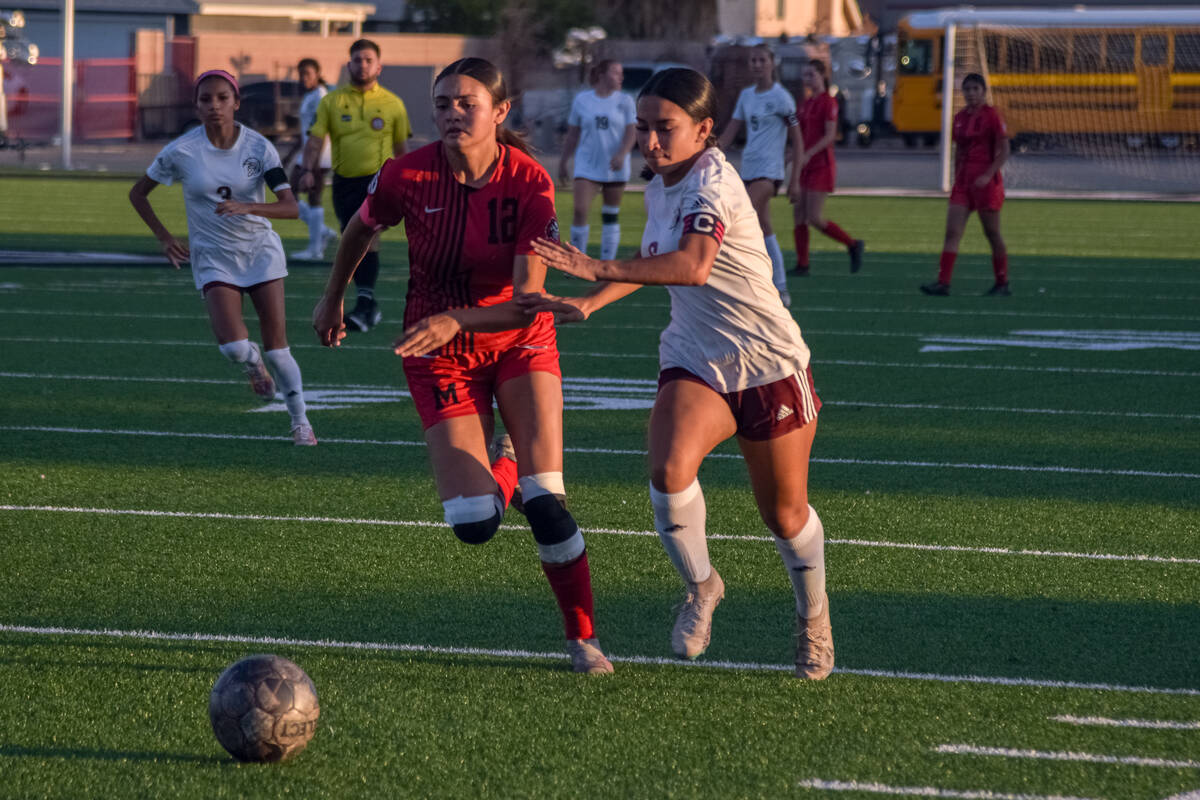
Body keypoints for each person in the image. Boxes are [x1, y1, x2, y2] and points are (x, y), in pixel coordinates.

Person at [523, 68, 833, 680]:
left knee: (785, 517)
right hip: (695, 357)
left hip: (768, 363)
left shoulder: (712, 182)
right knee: (667, 472)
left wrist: (593, 268)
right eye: (644, 128)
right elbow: (649, 261)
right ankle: (703, 586)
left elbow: (691, 267)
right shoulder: (663, 184)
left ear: (704, 130)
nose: (650, 141)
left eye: (665, 129)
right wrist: (592, 298)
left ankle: (813, 618)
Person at [311, 57, 613, 675]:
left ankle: (582, 639)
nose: (451, 113)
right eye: (442, 102)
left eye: (465, 102)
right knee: (474, 524)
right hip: (435, 348)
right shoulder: (407, 174)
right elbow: (357, 232)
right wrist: (333, 294)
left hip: (519, 340)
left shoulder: (530, 183)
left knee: (547, 501)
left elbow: (527, 303)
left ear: (500, 112)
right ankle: (505, 463)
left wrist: (460, 318)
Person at [129, 69, 316, 446]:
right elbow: (138, 194)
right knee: (233, 348)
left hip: (260, 253)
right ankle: (252, 363)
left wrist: (247, 207)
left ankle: (300, 423)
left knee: (279, 350)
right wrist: (165, 238)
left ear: (236, 103)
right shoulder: (181, 150)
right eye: (205, 99)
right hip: (214, 257)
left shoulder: (259, 147)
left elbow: (290, 208)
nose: (214, 106)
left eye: (221, 98)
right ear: (196, 106)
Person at [300, 39, 412, 332]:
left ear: (379, 66)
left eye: (368, 60)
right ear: (349, 64)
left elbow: (402, 149)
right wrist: (308, 170)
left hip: (379, 182)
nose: (362, 65)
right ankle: (367, 305)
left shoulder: (393, 103)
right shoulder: (332, 101)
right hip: (343, 182)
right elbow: (315, 139)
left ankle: (365, 304)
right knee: (352, 240)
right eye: (357, 60)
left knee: (368, 236)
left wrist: (410, 183)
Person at [717, 43, 803, 306]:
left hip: (770, 172)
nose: (756, 65)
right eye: (752, 61)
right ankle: (780, 287)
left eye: (761, 60)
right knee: (764, 228)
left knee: (737, 219)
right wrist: (706, 151)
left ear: (772, 63)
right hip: (749, 169)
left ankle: (739, 282)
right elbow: (731, 132)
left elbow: (798, 141)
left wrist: (795, 180)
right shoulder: (746, 96)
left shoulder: (781, 97)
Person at [921, 72, 1011, 297]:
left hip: (986, 183)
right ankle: (943, 283)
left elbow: (1005, 150)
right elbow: (959, 149)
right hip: (963, 182)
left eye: (975, 89)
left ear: (983, 91)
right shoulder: (960, 117)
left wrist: (989, 174)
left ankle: (1002, 282)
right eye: (967, 89)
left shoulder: (992, 116)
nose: (971, 93)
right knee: (952, 232)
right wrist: (957, 176)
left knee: (992, 233)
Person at [558, 59, 637, 261]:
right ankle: (577, 260)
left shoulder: (625, 101)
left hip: (615, 166)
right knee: (580, 209)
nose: (620, 77)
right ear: (602, 74)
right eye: (615, 73)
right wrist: (563, 161)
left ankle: (606, 262)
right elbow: (573, 134)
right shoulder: (582, 100)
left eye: (621, 73)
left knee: (610, 213)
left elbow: (631, 132)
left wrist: (622, 153)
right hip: (587, 165)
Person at [792, 59, 864, 277]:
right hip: (805, 165)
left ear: (823, 75)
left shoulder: (828, 102)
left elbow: (830, 135)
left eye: (811, 74)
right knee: (799, 215)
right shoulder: (805, 103)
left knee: (814, 217)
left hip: (821, 165)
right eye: (805, 75)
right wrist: (791, 155)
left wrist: (808, 154)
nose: (808, 79)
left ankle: (852, 244)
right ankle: (803, 264)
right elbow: (800, 137)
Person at [286, 57, 339, 261]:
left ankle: (316, 249)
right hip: (307, 153)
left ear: (317, 74)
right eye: (300, 74)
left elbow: (322, 131)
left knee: (311, 197)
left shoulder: (320, 96)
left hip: (318, 155)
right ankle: (322, 232)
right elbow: (306, 131)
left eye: (307, 73)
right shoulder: (310, 95)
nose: (303, 78)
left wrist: (313, 162)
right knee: (291, 194)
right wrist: (292, 154)